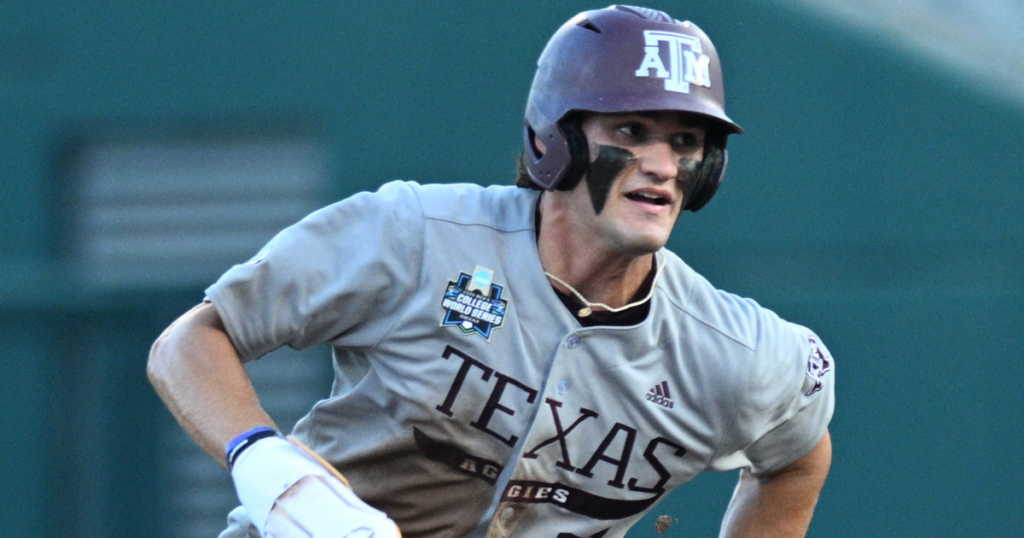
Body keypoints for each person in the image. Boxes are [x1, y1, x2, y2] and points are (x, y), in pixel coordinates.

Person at [148, 5, 834, 538]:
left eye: (685, 142)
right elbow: (190, 341)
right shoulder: (414, 234)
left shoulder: (738, 352)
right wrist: (274, 470)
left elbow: (798, 455)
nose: (661, 163)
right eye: (630, 132)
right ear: (552, 138)